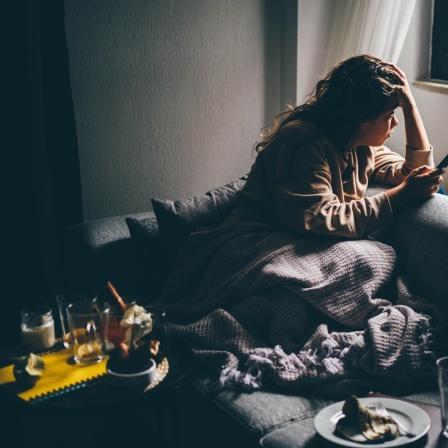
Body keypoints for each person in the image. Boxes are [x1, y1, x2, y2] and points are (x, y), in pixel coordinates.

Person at [223, 54, 445, 238]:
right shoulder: (305, 143)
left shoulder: (360, 145)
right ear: (362, 119)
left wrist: (410, 106)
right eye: (390, 115)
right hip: (258, 235)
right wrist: (403, 194)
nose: (395, 122)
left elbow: (418, 173)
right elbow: (318, 218)